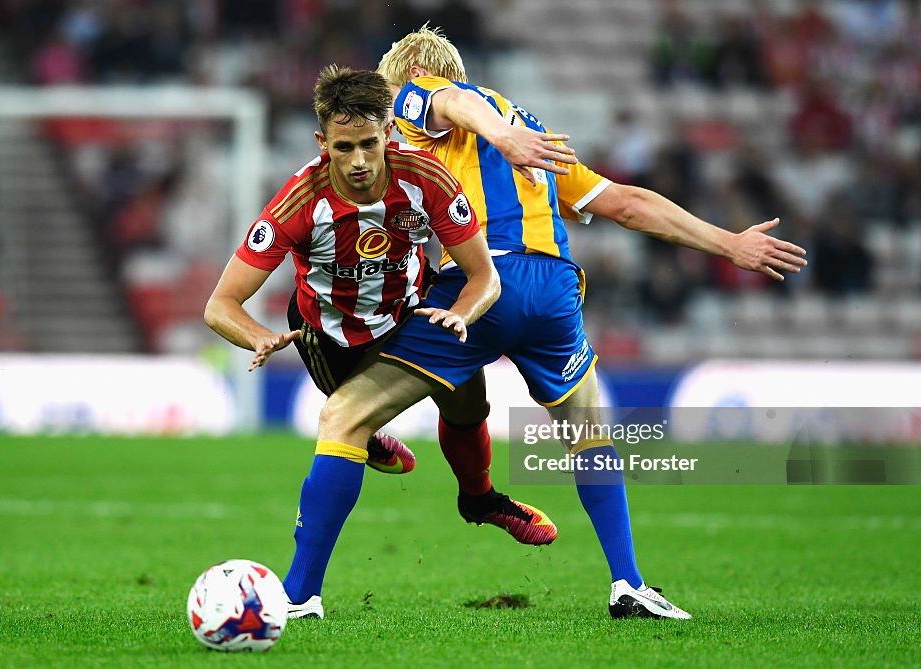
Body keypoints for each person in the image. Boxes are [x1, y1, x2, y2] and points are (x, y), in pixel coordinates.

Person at [277, 27, 807, 621]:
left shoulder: (433, 99)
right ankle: (627, 582)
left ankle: (299, 596)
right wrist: (727, 243)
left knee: (343, 417)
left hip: (483, 286)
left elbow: (449, 99)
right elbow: (626, 205)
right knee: (587, 431)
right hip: (554, 294)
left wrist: (495, 133)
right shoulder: (532, 129)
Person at [204, 65, 554, 620]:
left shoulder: (428, 180)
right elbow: (219, 305)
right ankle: (306, 585)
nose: (361, 160)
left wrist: (462, 314)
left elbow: (485, 276)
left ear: (390, 131)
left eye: (371, 142)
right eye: (345, 147)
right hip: (330, 339)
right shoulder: (300, 202)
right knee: (346, 421)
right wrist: (260, 337)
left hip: (408, 318)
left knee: (468, 397)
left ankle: (480, 499)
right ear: (323, 143)